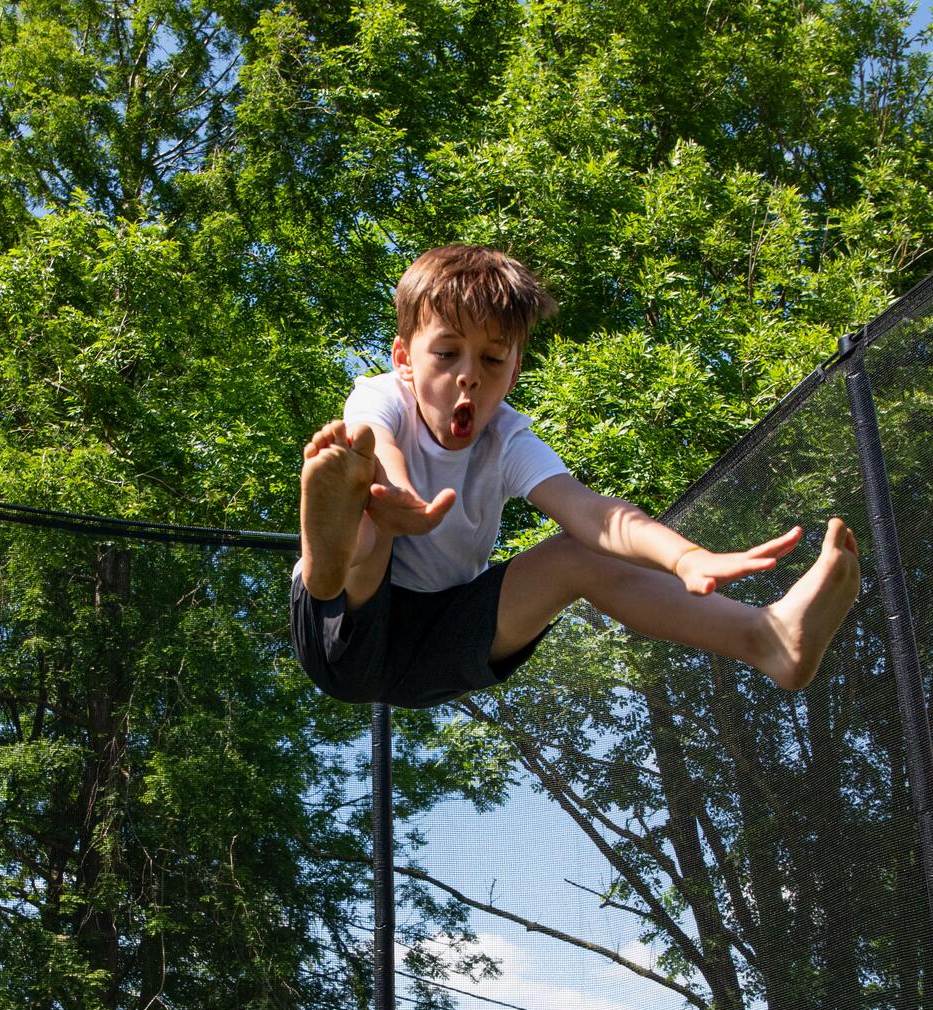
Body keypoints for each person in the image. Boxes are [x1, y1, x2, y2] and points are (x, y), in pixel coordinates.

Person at [291, 245, 860, 709]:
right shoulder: (379, 397)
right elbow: (381, 445)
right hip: (346, 628)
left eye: (491, 361)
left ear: (513, 372)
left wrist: (686, 557)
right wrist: (401, 500)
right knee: (366, 500)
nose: (469, 378)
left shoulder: (507, 438)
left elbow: (595, 514)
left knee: (577, 553)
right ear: (404, 360)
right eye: (446, 354)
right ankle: (327, 565)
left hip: (445, 642)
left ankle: (769, 640)